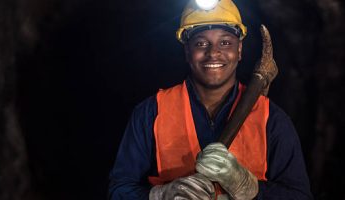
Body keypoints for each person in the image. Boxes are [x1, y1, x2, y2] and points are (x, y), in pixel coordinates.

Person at [108, 0, 313, 199]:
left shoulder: (271, 119)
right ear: (187, 51)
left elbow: (300, 195)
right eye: (201, 43)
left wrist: (252, 190)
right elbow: (118, 191)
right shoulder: (151, 113)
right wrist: (160, 195)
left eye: (225, 42)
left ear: (239, 50)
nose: (213, 52)